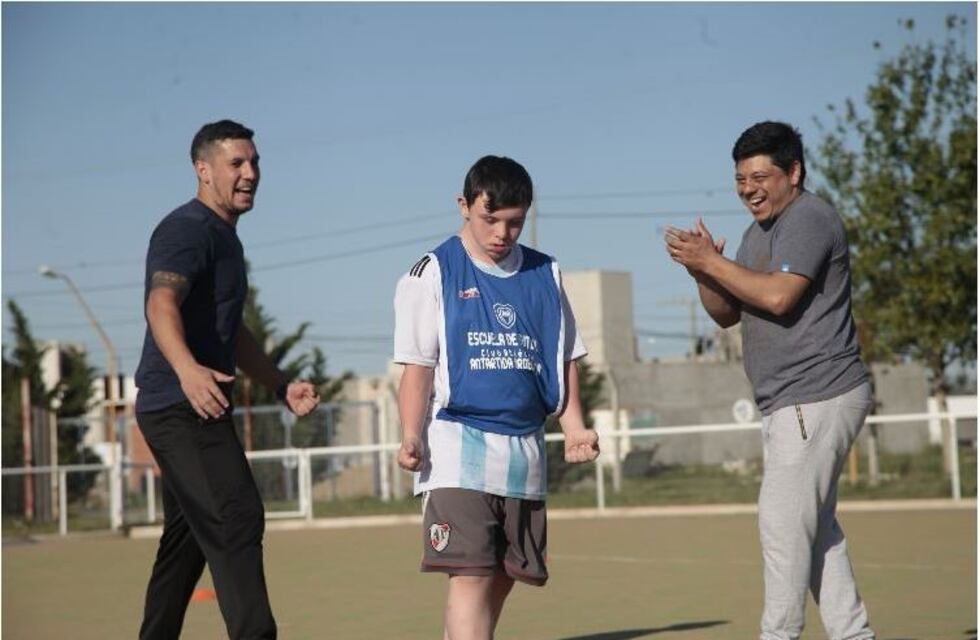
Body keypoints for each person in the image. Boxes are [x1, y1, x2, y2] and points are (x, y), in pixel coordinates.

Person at [665, 121, 875, 640]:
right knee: (816, 532)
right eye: (740, 179)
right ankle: (855, 635)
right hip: (792, 401)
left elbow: (779, 296)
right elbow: (726, 314)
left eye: (760, 176)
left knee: (783, 528)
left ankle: (778, 635)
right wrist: (704, 272)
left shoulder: (810, 218)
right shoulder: (757, 234)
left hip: (817, 392)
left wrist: (713, 260)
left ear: (794, 172)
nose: (748, 189)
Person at [393, 155, 600, 640]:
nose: (503, 233)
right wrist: (410, 434)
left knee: (504, 577)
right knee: (472, 575)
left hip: (523, 453)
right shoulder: (433, 272)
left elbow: (562, 355)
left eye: (515, 222)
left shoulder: (545, 275)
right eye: (491, 219)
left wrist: (574, 427)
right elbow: (417, 366)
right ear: (463, 206)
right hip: (456, 450)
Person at [134, 119, 320, 640]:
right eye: (236, 163)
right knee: (237, 516)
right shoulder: (187, 229)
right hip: (182, 405)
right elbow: (160, 302)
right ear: (203, 170)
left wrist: (279, 384)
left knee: (189, 537)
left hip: (189, 403)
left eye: (254, 162)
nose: (250, 173)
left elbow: (229, 331)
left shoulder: (225, 240)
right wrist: (188, 370)